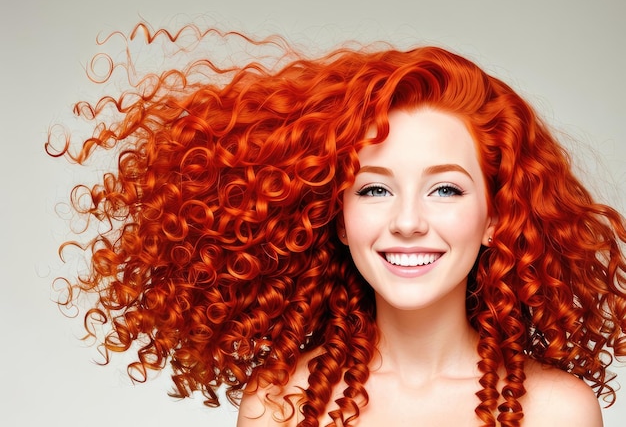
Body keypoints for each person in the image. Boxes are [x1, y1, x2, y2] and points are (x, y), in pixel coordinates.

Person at [47, 24, 626, 427]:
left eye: (445, 188)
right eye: (374, 189)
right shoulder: (281, 406)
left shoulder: (557, 412)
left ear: (498, 216)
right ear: (340, 218)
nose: (406, 222)